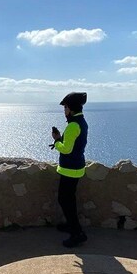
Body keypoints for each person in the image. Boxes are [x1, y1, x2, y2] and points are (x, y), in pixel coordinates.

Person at [51, 92, 89, 248]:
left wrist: (57, 140)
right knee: (69, 200)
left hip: (69, 170)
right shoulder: (81, 121)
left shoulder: (73, 125)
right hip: (76, 168)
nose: (64, 110)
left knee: (65, 200)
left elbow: (66, 149)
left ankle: (77, 233)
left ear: (71, 108)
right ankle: (71, 226)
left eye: (65, 107)